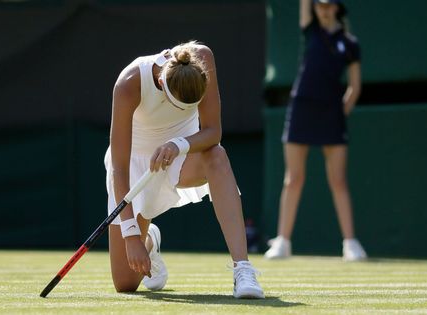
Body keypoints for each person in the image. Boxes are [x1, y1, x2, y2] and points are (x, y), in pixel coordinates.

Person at [105, 41, 264, 298]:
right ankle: (149, 240)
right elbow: (119, 167)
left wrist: (179, 144)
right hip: (133, 166)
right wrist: (131, 235)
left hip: (181, 154)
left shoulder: (202, 59)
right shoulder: (129, 83)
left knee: (217, 156)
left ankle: (243, 269)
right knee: (125, 284)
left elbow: (213, 132)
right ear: (163, 87)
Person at [264, 0, 367, 261]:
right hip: (302, 109)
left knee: (338, 180)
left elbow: (354, 87)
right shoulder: (310, 29)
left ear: (337, 9)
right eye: (319, 5)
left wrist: (339, 113)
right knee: (294, 178)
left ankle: (350, 243)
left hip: (332, 113)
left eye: (327, 5)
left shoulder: (350, 43)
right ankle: (283, 242)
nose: (322, 9)